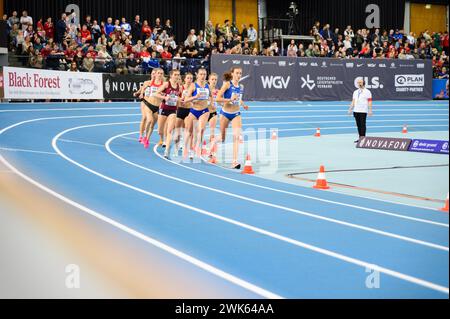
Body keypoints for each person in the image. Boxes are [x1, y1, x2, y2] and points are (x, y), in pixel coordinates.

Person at [216, 67, 249, 169]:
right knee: (222, 138)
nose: (239, 75)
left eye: (240, 73)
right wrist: (229, 100)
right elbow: (217, 99)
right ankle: (211, 145)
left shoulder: (241, 86)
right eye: (237, 73)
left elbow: (238, 99)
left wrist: (243, 104)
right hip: (225, 113)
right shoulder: (227, 84)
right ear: (232, 74)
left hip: (236, 113)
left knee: (237, 136)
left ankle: (234, 161)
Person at [182, 68, 211, 159]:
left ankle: (197, 148)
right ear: (197, 75)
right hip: (194, 111)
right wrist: (195, 97)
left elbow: (211, 96)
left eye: (204, 74)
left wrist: (211, 102)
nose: (203, 76)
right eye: (201, 74)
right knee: (189, 131)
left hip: (204, 110)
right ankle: (190, 149)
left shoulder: (207, 86)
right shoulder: (193, 86)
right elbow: (186, 100)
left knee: (200, 129)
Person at [154, 70, 183, 158]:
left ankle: (166, 151)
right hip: (164, 109)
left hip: (173, 110)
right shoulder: (166, 84)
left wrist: (179, 102)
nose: (177, 76)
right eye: (175, 75)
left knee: (170, 130)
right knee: (160, 130)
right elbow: (155, 93)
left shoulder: (179, 87)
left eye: (178, 75)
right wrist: (164, 97)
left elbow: (179, 98)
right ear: (171, 75)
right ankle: (162, 139)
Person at [138, 68, 165, 148]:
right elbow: (142, 89)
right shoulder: (149, 82)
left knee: (153, 125)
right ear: (155, 74)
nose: (160, 75)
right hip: (148, 104)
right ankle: (143, 134)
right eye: (158, 73)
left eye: (161, 73)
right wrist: (141, 94)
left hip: (157, 107)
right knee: (149, 120)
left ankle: (147, 139)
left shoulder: (164, 84)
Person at [348, 78, 373, 143]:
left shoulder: (367, 92)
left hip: (363, 111)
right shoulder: (355, 92)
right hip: (356, 110)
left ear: (363, 83)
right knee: (358, 125)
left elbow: (370, 101)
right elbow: (353, 101)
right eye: (358, 83)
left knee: (362, 125)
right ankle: (360, 138)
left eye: (360, 82)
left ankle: (363, 138)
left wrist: (370, 110)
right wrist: (350, 109)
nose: (359, 84)